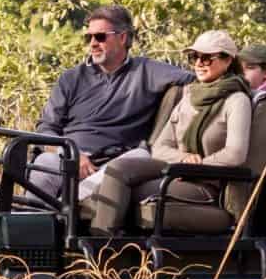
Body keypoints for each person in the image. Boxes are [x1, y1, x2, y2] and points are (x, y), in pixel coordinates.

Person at [84, 31, 254, 233]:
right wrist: (183, 159)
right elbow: (160, 148)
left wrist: (195, 168)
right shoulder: (189, 95)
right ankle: (92, 234)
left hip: (205, 182)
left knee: (123, 193)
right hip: (177, 170)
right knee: (116, 170)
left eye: (207, 58)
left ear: (227, 60)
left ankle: (103, 250)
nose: (199, 63)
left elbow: (235, 154)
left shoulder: (237, 100)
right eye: (194, 57)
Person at [25, 6, 190, 208]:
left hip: (117, 159)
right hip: (68, 155)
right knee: (43, 163)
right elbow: (46, 128)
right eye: (89, 38)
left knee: (136, 159)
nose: (93, 43)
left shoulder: (147, 71)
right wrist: (72, 154)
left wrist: (236, 72)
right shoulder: (71, 79)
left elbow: (200, 78)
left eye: (100, 37)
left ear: (122, 38)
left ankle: (61, 211)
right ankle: (30, 225)